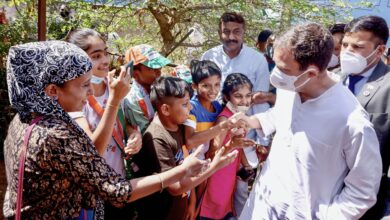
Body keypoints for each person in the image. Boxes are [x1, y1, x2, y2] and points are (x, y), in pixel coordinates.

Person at [3, 41, 209, 219]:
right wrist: (182, 170)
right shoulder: (55, 134)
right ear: (52, 91)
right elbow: (118, 191)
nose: (91, 90)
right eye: (84, 85)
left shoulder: (23, 119)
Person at [239, 23, 382, 219]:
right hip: (261, 203)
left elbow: (362, 191)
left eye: (284, 69)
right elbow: (280, 116)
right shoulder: (290, 86)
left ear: (312, 73)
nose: (276, 75)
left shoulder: (352, 122)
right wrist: (250, 121)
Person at [132, 76, 250, 220]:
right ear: (166, 109)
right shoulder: (157, 139)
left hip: (181, 206)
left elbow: (185, 163)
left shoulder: (176, 125)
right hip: (163, 212)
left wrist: (192, 201)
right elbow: (175, 188)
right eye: (185, 104)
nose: (191, 107)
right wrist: (213, 167)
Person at [65, 28, 143, 218]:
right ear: (78, 60)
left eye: (106, 53)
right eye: (96, 56)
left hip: (119, 184)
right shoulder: (73, 98)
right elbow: (91, 152)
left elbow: (123, 124)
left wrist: (135, 135)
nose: (106, 60)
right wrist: (115, 100)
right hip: (92, 193)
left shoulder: (114, 87)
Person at [339, 15, 390, 219]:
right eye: (344, 44)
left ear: (379, 51)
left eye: (358, 47)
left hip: (365, 204)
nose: (347, 52)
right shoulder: (331, 80)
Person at [199, 73, 257, 220]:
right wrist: (231, 145)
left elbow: (238, 145)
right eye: (238, 96)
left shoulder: (238, 116)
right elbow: (213, 152)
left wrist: (245, 165)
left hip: (229, 171)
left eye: (248, 95)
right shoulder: (224, 119)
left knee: (224, 207)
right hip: (218, 174)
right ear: (226, 97)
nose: (244, 101)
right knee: (213, 209)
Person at [122, 44, 172, 134]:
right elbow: (146, 135)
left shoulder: (159, 87)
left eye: (159, 66)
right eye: (152, 68)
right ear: (136, 74)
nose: (159, 72)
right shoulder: (133, 101)